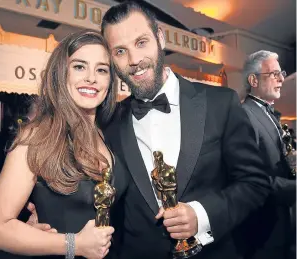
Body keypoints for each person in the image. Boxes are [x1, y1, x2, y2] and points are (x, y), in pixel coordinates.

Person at [101, 2, 271, 259]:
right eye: (120, 51)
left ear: (160, 38)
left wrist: (202, 215)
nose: (134, 60)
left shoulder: (221, 103)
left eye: (141, 42)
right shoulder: (108, 122)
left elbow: (256, 184)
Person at [0, 30, 130, 259]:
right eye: (79, 66)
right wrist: (74, 244)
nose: (91, 77)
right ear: (61, 74)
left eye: (101, 70)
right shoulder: (36, 137)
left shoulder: (110, 133)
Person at [241, 50, 296, 259]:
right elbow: (251, 180)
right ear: (253, 80)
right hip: (263, 233)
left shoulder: (269, 113)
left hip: (282, 226)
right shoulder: (244, 115)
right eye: (274, 74)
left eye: (281, 72)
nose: (282, 79)